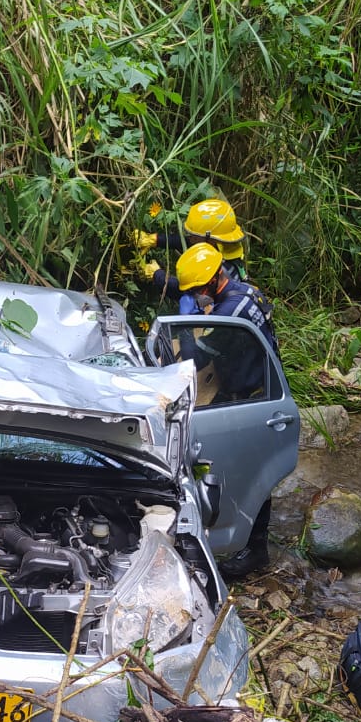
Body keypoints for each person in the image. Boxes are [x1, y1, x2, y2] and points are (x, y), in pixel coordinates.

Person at [174, 241, 279, 579]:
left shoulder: (227, 314)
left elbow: (196, 357)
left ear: (213, 281)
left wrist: (187, 324)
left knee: (245, 467)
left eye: (197, 290)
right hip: (254, 377)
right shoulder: (247, 291)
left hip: (250, 394)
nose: (196, 295)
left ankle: (254, 550)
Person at [134, 198, 251, 307]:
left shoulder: (222, 268)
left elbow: (187, 291)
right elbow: (194, 243)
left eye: (194, 236)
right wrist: (156, 240)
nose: (190, 238)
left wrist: (157, 275)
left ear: (211, 239)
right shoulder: (224, 245)